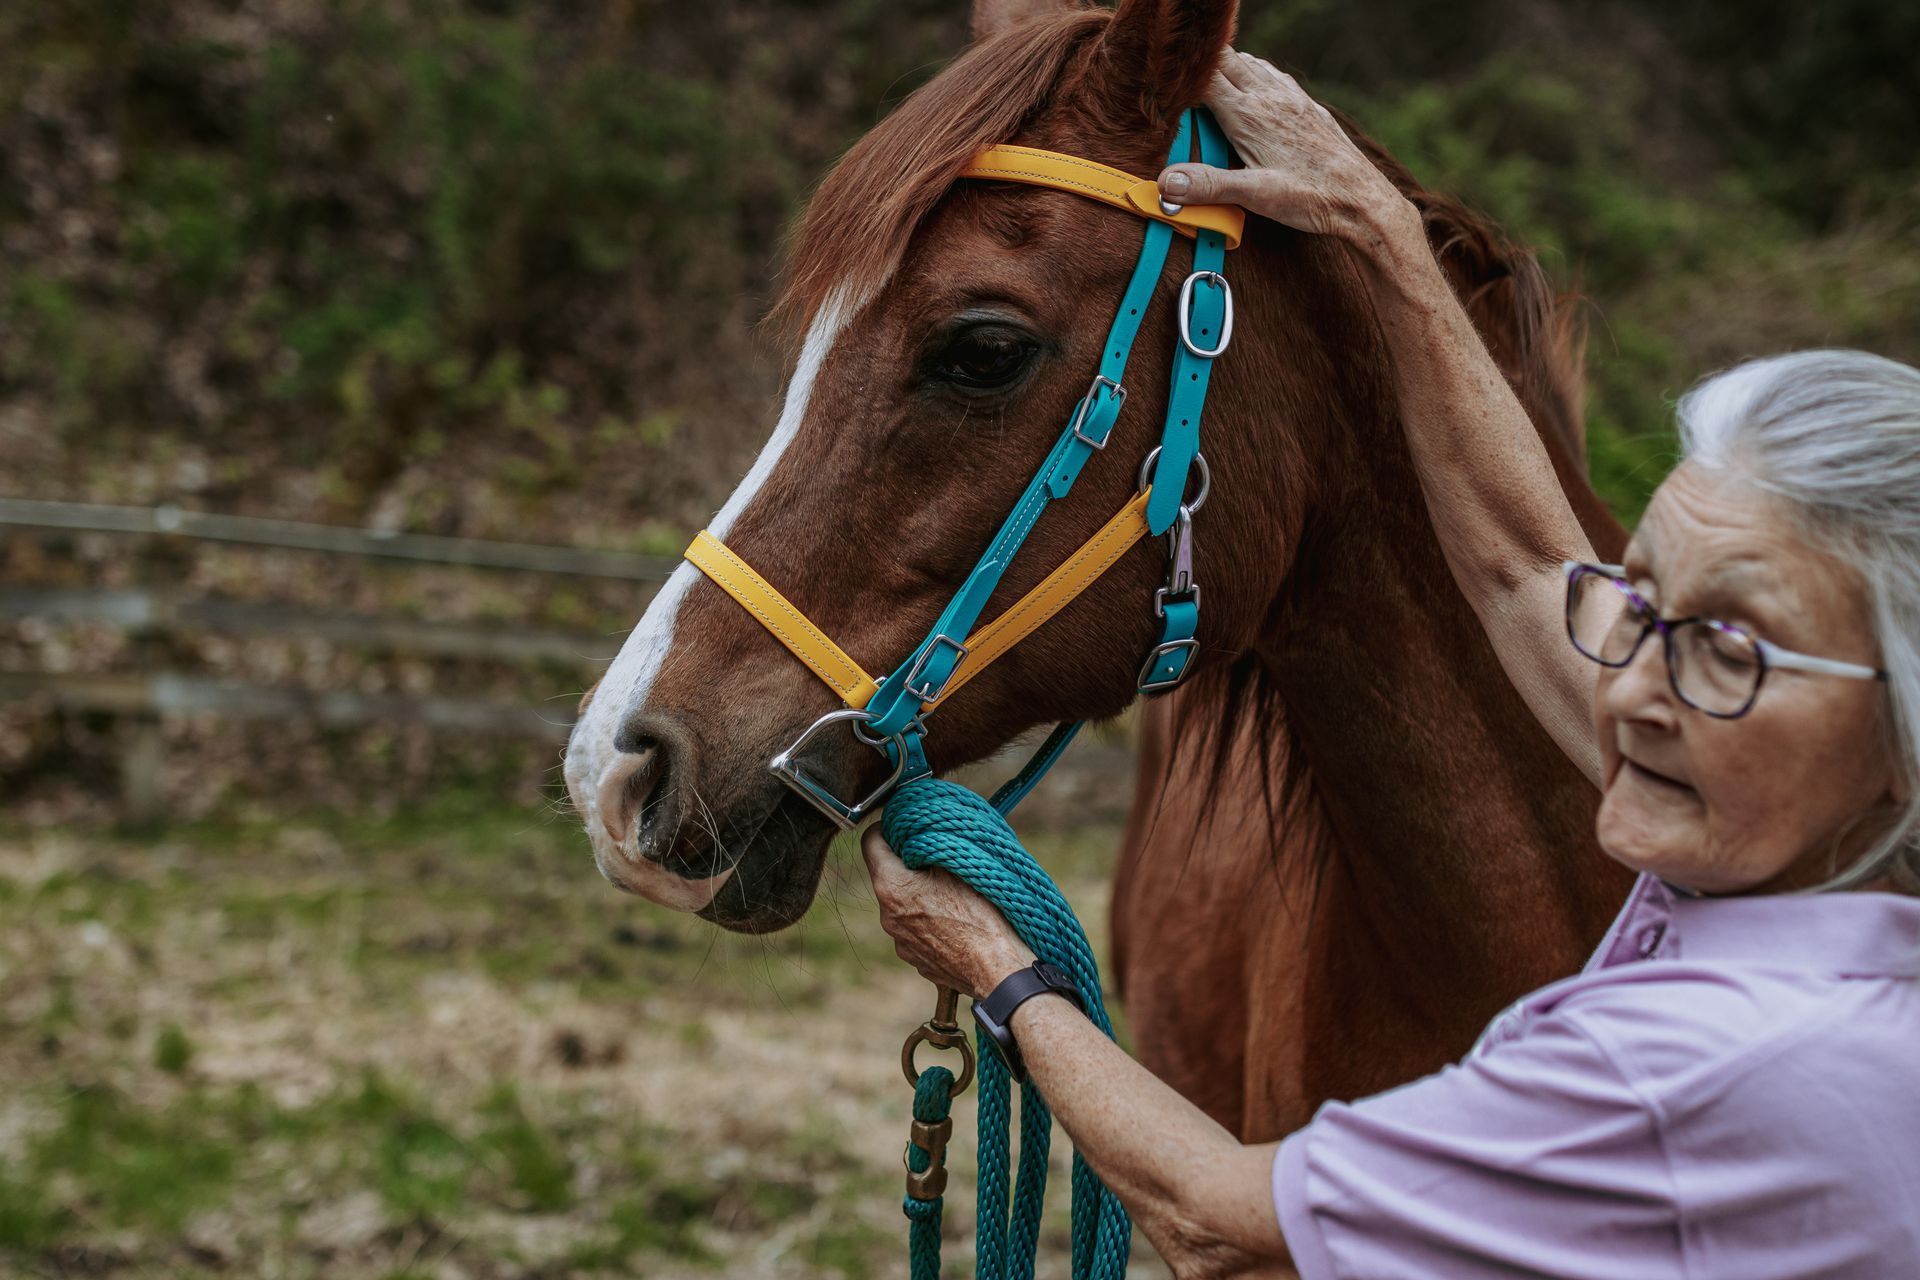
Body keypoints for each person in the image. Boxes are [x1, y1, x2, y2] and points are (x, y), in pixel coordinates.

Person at [861, 48, 1920, 1279]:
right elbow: (1527, 569)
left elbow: (1214, 1220)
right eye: (1642, 605)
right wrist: (1387, 242)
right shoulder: (1824, 854)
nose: (1629, 687)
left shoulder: (1698, 1068)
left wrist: (997, 963)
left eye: (1727, 649)